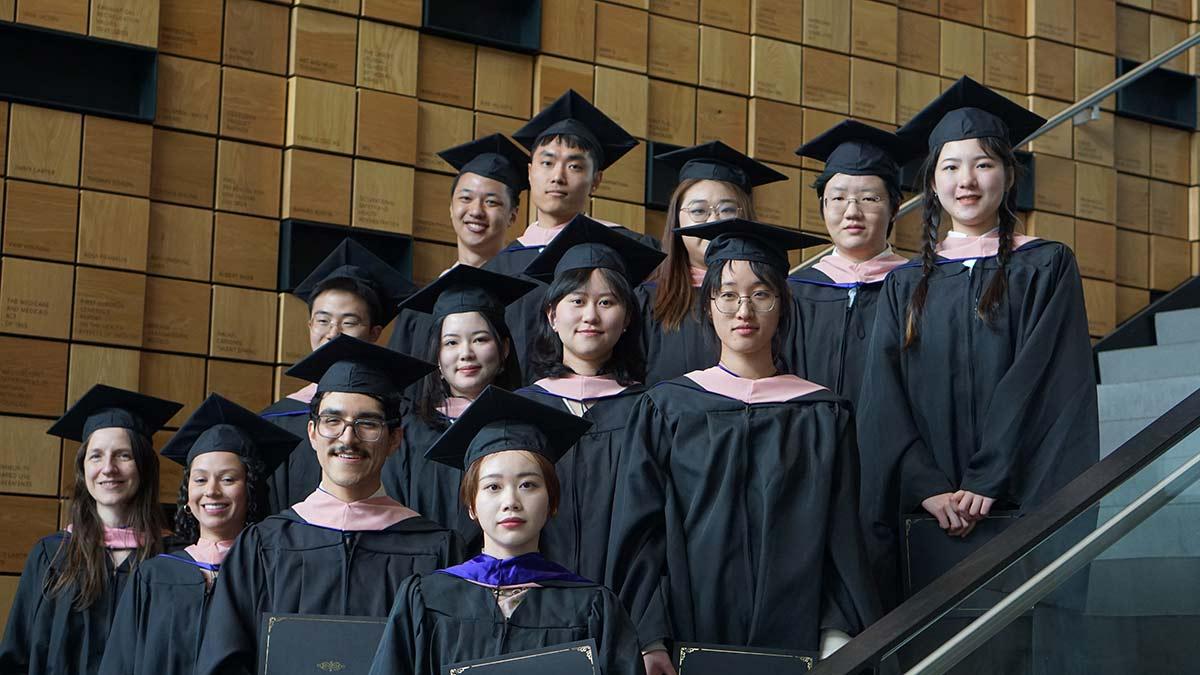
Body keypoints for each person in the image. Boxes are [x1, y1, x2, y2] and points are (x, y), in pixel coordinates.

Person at [859, 76, 1098, 615]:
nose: (966, 180)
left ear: (1009, 177)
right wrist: (926, 486)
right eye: (950, 166)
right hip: (926, 511)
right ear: (932, 182)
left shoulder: (1046, 265)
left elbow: (1047, 382)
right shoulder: (903, 284)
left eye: (984, 164)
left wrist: (988, 479)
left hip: (1018, 498)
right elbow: (883, 398)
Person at [606, 220, 878, 675]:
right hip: (689, 636)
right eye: (728, 294)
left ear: (782, 305)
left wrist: (837, 631)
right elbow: (640, 534)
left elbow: (842, 538)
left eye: (761, 293)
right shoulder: (667, 409)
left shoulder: (821, 413)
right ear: (708, 305)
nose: (743, 310)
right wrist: (649, 636)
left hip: (798, 638)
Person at [196, 336, 463, 675]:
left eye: (367, 424)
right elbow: (224, 661)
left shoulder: (435, 548)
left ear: (395, 439)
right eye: (333, 421)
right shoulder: (263, 545)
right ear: (312, 433)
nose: (347, 439)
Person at [368, 386, 643, 675]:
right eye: (493, 487)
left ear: (552, 502)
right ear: (471, 505)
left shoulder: (592, 608)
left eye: (528, 485)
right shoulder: (426, 600)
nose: (511, 502)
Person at [98, 394, 297, 675]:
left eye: (228, 479)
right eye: (200, 479)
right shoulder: (153, 576)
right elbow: (118, 666)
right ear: (188, 496)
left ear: (250, 490)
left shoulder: (272, 576)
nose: (212, 491)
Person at [519, 214, 664, 582]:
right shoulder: (523, 409)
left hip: (627, 601)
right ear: (552, 315)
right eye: (577, 300)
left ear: (628, 317)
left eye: (606, 302)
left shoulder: (649, 411)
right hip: (537, 602)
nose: (590, 316)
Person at [0, 385, 181, 675]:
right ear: (83, 470)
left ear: (144, 467)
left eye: (123, 455)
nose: (108, 468)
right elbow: (16, 655)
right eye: (96, 456)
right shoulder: (51, 556)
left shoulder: (173, 560)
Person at [489, 89, 658, 383]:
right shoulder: (497, 269)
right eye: (547, 162)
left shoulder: (632, 252)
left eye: (575, 166)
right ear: (530, 172)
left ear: (596, 180)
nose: (558, 176)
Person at [382, 264, 535, 551]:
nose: (466, 353)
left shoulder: (523, 429)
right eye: (451, 342)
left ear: (503, 350)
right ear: (438, 358)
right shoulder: (411, 433)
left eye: (480, 339)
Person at [261, 238, 415, 512]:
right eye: (323, 320)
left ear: (375, 333)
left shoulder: (402, 420)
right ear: (310, 326)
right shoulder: (276, 421)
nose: (332, 333)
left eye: (349, 322)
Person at [785, 120, 917, 410]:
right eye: (839, 198)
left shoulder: (918, 287)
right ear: (823, 206)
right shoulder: (795, 292)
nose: (852, 212)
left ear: (895, 207)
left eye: (869, 198)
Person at [640, 141, 788, 384]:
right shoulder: (648, 301)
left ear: (746, 216)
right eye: (699, 211)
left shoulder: (774, 301)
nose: (714, 221)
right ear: (676, 219)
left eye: (727, 210)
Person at [386, 134, 530, 364]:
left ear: (512, 216)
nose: (476, 211)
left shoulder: (527, 297)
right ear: (451, 208)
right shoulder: (421, 305)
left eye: (491, 202)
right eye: (466, 198)